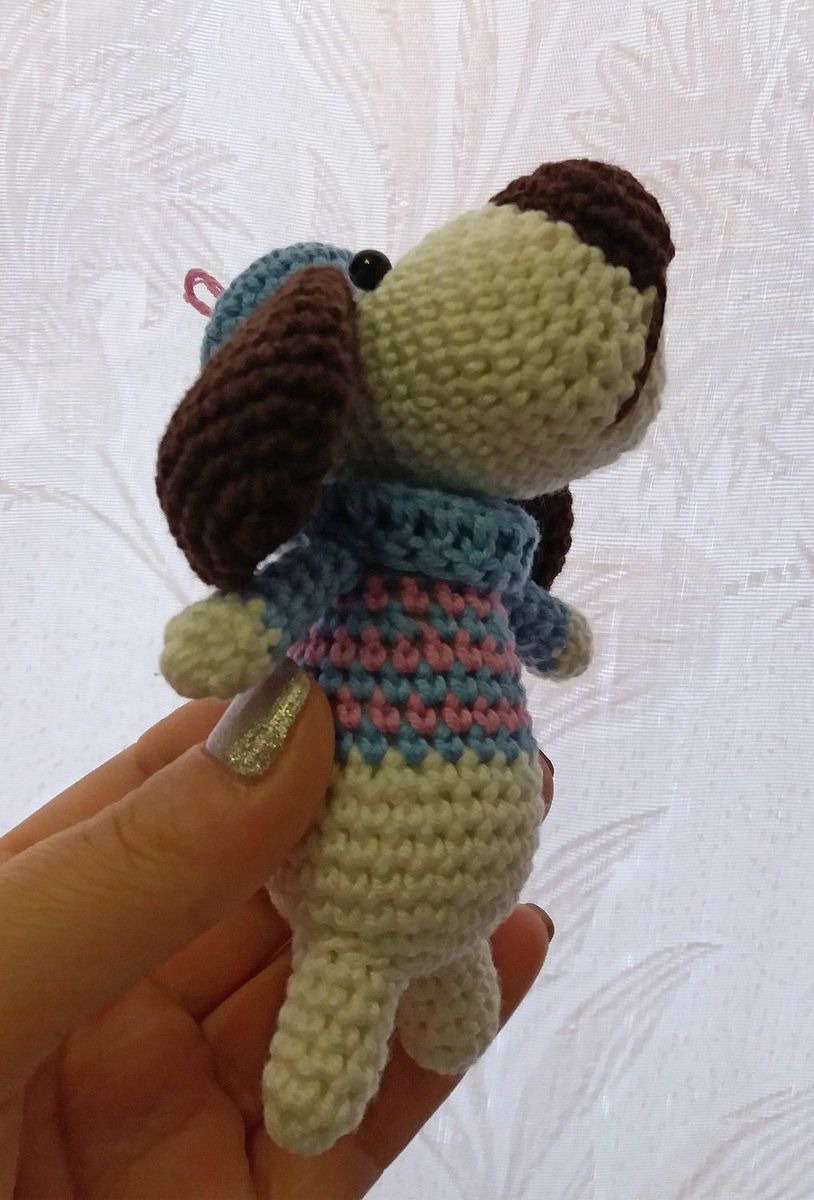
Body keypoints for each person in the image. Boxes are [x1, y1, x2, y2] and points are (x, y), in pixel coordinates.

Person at [0, 671, 553, 1199]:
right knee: (353, 997)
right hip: (357, 918)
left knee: (394, 999)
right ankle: (396, 1012)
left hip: (452, 887)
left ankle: (429, 994)